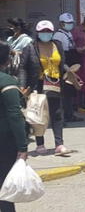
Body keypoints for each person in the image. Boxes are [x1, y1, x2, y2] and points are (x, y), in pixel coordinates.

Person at [19, 20, 72, 156]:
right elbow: (23, 68)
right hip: (38, 85)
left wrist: (70, 74)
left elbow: (62, 63)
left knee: (57, 113)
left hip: (55, 83)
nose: (46, 34)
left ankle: (59, 144)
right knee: (38, 115)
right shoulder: (31, 47)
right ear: (38, 33)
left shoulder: (57, 45)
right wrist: (23, 85)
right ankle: (40, 144)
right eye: (43, 32)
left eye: (48, 31)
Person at [0, 41, 28, 212]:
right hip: (4, 143)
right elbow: (14, 116)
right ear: (7, 60)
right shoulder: (7, 82)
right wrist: (22, 146)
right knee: (4, 186)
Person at [53, 13, 83, 123]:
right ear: (61, 23)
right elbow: (60, 54)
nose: (70, 25)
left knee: (71, 91)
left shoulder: (68, 34)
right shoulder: (58, 36)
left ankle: (70, 114)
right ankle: (64, 115)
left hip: (71, 65)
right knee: (65, 92)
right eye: (67, 23)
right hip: (64, 67)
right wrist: (66, 68)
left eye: (71, 23)